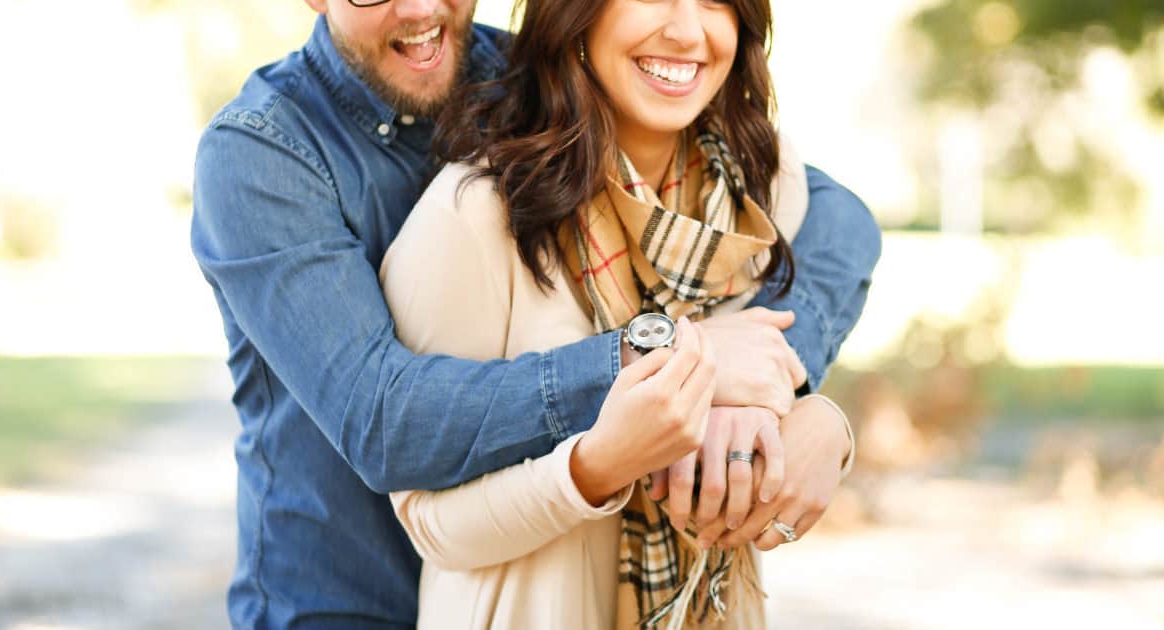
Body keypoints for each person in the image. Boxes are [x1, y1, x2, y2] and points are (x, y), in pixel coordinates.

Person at [189, 1, 881, 628]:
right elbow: (382, 418)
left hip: (540, 584)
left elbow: (838, 220)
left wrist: (780, 388)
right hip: (340, 601)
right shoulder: (263, 150)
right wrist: (668, 358)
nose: (423, 8)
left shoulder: (528, 76)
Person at [378, 0, 860, 628]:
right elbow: (431, 525)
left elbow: (769, 370)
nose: (687, 30)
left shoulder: (762, 187)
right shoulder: (474, 217)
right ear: (577, 15)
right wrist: (599, 463)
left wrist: (822, 423)